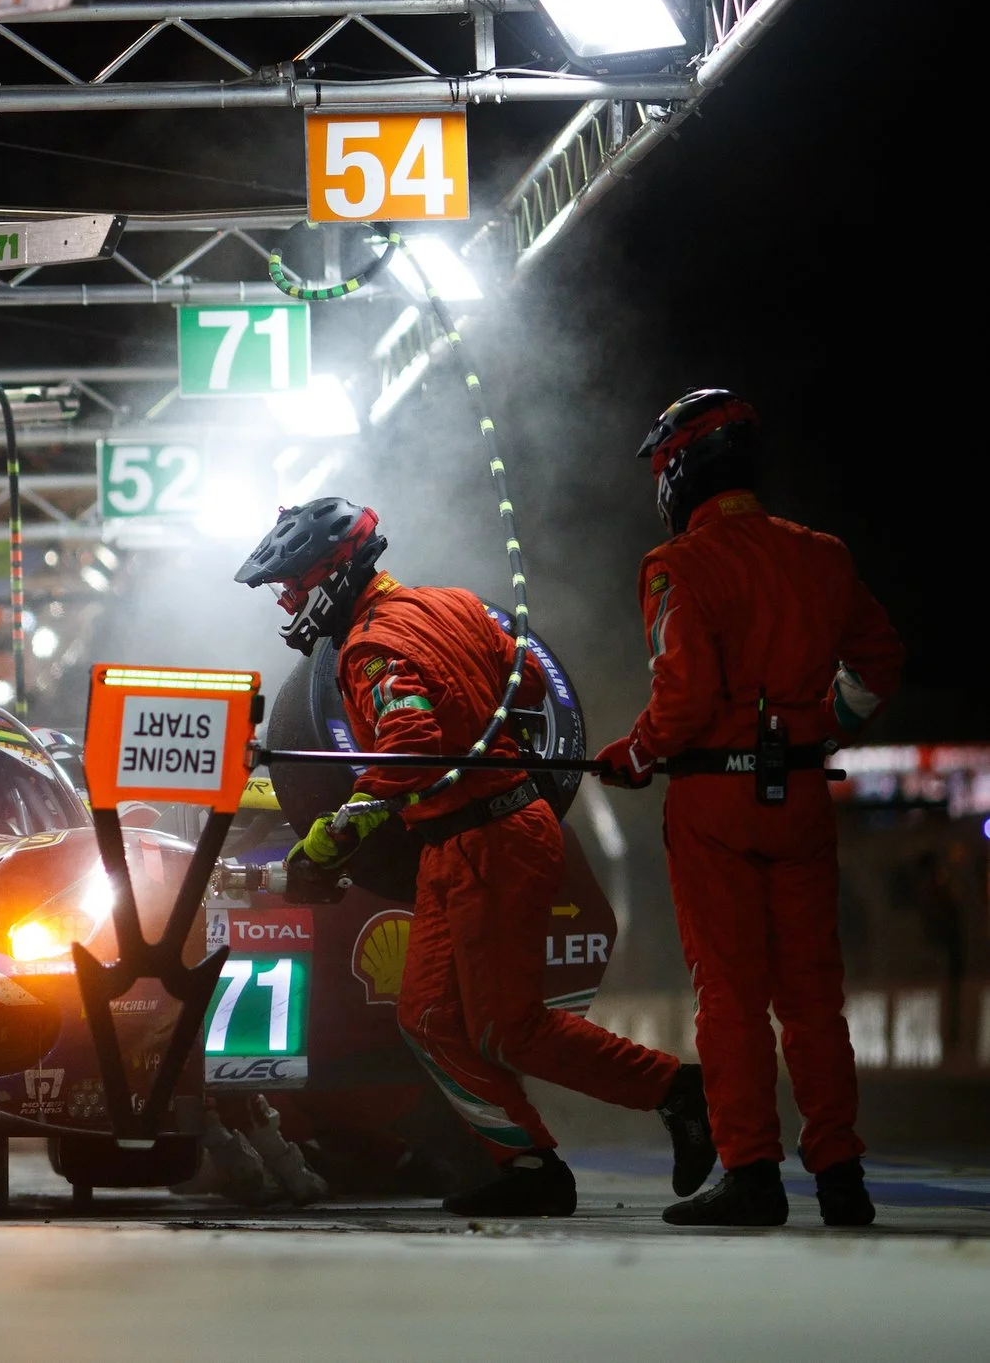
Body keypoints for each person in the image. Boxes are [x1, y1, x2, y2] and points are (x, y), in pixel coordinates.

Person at [238, 498, 712, 1218]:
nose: (286, 602)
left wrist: (328, 841)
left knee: (506, 1028)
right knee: (428, 1017)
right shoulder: (457, 604)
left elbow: (411, 747)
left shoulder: (368, 647)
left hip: (488, 842)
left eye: (291, 586)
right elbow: (527, 687)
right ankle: (527, 1162)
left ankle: (674, 1091)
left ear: (331, 575)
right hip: (475, 837)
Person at [598, 391, 903, 1228]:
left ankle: (752, 1174)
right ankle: (841, 1175)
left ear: (679, 470)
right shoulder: (823, 555)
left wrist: (635, 753)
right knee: (813, 996)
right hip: (801, 793)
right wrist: (824, 727)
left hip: (714, 801)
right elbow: (878, 660)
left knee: (729, 994)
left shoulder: (677, 565)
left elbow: (684, 697)